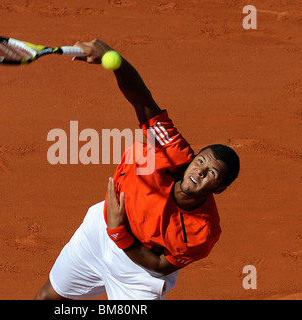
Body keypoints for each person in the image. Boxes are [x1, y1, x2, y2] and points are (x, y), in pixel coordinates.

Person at [34, 39, 240, 300]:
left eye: (212, 173)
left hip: (139, 272)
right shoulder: (171, 149)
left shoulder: (203, 231)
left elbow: (161, 266)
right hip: (98, 231)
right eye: (201, 161)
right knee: (47, 299)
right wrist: (114, 60)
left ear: (219, 188)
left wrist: (120, 233)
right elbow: (142, 100)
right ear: (192, 159)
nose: (200, 171)